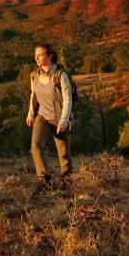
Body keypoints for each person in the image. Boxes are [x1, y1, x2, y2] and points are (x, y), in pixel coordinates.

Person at [26, 43, 74, 194]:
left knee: (64, 153)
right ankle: (44, 181)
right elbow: (33, 95)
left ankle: (66, 181)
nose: (36, 58)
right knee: (36, 146)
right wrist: (30, 114)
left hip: (60, 118)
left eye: (40, 55)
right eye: (35, 55)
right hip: (43, 116)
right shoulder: (34, 75)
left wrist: (64, 122)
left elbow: (68, 100)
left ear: (50, 56)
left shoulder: (60, 75)